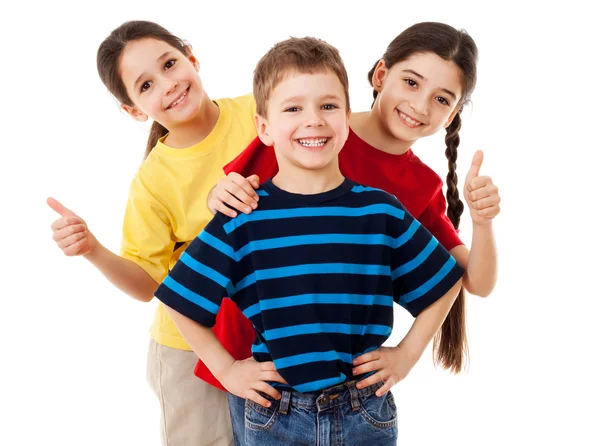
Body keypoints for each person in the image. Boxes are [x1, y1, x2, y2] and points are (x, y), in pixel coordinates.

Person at [155, 36, 464, 445]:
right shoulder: (244, 217)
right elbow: (181, 299)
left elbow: (446, 281)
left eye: (329, 106)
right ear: (264, 128)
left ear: (346, 116)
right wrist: (227, 370)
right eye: (293, 108)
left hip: (365, 412)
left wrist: (406, 355)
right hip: (274, 416)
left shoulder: (380, 211)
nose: (314, 119)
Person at [209, 21, 500, 373]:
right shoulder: (311, 131)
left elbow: (472, 281)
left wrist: (482, 222)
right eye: (411, 82)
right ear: (381, 75)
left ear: (451, 114)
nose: (420, 106)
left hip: (328, 375)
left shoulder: (421, 184)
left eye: (441, 99)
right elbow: (228, 204)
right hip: (243, 352)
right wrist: (218, 193)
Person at [47, 20, 262, 446]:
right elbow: (149, 284)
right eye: (145, 86)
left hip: (266, 328)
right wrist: (93, 249)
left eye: (170, 64)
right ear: (133, 110)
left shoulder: (260, 109)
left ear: (192, 58)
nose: (168, 85)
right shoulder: (152, 182)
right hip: (190, 345)